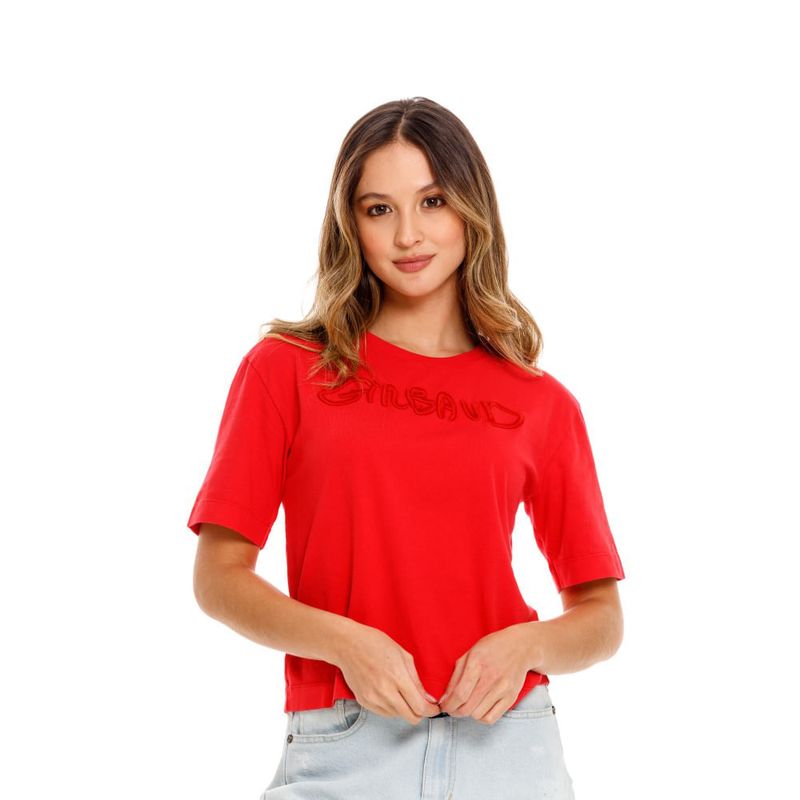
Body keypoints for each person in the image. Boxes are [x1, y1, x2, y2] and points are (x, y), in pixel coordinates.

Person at [186, 96, 626, 799]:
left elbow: (601, 617)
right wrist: (344, 643)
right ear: (350, 224)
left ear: (472, 210)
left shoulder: (543, 403)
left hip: (510, 743)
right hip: (344, 741)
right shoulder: (287, 370)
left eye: (433, 201)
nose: (408, 234)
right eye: (379, 209)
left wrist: (528, 645)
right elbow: (219, 579)